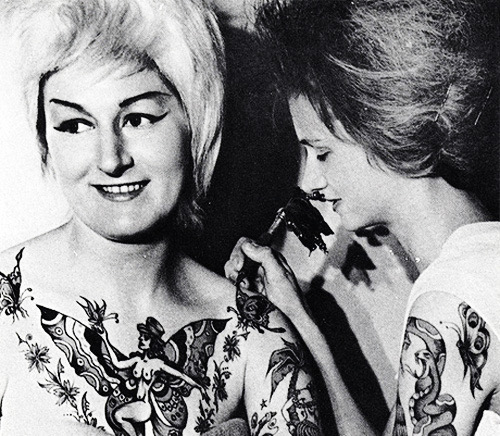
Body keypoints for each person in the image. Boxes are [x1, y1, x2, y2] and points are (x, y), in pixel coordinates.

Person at [0, 1, 325, 435]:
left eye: (137, 119)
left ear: (197, 123)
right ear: (45, 135)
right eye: (75, 125)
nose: (110, 159)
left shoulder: (255, 335)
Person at [225, 0, 500, 435]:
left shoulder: (452, 296)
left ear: (381, 129)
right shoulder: (477, 262)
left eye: (322, 153)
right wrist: (298, 317)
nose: (310, 182)